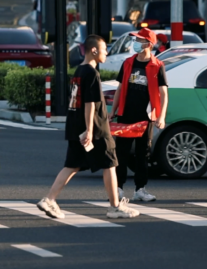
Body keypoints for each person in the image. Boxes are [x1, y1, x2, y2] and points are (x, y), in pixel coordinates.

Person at [37, 35, 139, 219]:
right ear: (94, 50)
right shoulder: (92, 73)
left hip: (75, 125)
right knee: (110, 164)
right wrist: (90, 130)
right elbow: (90, 103)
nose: (106, 53)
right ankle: (115, 207)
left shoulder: (79, 71)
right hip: (96, 129)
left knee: (72, 165)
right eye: (104, 49)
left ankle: (49, 199)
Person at [109, 27, 168, 202]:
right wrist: (113, 110)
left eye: (140, 40)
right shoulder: (128, 62)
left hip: (146, 116)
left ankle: (140, 189)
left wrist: (161, 116)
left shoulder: (157, 66)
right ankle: (118, 189)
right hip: (126, 114)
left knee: (143, 154)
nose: (136, 43)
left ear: (149, 44)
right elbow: (120, 88)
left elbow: (163, 92)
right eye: (136, 40)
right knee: (121, 152)